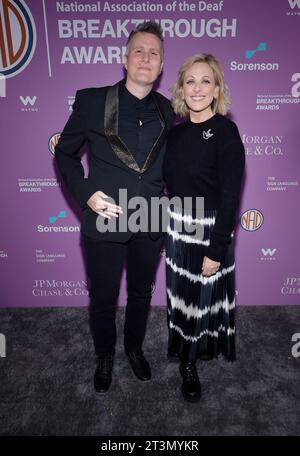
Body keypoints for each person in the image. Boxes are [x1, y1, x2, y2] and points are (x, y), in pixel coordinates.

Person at [55, 21, 175, 394]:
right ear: (124, 60)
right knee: (104, 297)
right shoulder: (92, 101)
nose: (145, 57)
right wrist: (86, 193)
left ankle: (134, 348)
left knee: (141, 293)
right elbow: (65, 153)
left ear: (160, 65)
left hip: (151, 216)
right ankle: (105, 354)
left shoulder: (170, 110)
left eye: (153, 52)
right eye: (138, 50)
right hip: (105, 215)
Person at [163, 54, 245, 402]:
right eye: (191, 81)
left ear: (216, 89)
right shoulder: (175, 134)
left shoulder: (226, 131)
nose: (197, 88)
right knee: (182, 299)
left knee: (205, 299)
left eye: (205, 81)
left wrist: (216, 248)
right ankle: (187, 360)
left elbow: (230, 195)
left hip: (212, 228)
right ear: (182, 88)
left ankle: (197, 355)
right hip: (178, 229)